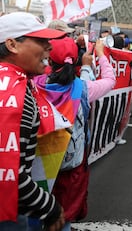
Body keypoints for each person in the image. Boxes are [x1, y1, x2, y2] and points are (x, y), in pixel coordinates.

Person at [33, 37, 115, 231]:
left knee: (35, 211)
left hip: (39, 161)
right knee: (64, 216)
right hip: (72, 162)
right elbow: (110, 80)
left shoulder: (34, 84)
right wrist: (101, 55)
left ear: (49, 60)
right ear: (77, 60)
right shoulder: (83, 88)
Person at [0, 12, 66, 231]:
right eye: (40, 40)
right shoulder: (15, 97)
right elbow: (10, 176)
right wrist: (51, 208)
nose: (49, 47)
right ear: (12, 44)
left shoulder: (14, 84)